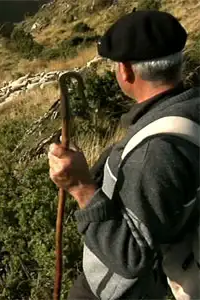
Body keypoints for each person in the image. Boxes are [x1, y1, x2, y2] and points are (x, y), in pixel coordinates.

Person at [48, 10, 199, 300]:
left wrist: (80, 187)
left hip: (118, 291)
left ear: (126, 71)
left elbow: (131, 258)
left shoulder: (156, 151)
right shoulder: (189, 109)